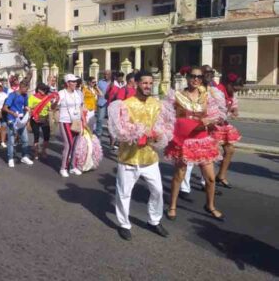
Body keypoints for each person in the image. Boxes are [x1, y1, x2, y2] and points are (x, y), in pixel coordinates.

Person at [108, 70, 174, 241]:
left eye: (150, 83)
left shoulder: (157, 104)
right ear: (136, 83)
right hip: (129, 158)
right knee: (124, 193)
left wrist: (159, 134)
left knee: (158, 190)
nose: (148, 86)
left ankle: (154, 220)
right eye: (144, 83)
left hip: (150, 158)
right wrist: (135, 134)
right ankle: (124, 224)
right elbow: (119, 132)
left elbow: (164, 125)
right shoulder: (126, 104)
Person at [165, 66, 226, 222]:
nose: (196, 79)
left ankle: (210, 206)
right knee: (179, 176)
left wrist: (212, 122)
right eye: (193, 76)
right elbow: (172, 119)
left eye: (199, 77)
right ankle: (172, 205)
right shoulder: (176, 96)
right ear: (187, 77)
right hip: (184, 141)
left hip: (202, 141)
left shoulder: (208, 96)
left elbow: (215, 117)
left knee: (211, 178)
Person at [212, 73, 242, 188]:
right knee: (211, 154)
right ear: (229, 84)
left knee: (230, 150)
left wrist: (234, 110)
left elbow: (233, 106)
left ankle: (221, 176)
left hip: (223, 124)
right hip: (213, 125)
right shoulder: (217, 92)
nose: (235, 91)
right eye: (234, 88)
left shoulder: (231, 94)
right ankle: (207, 180)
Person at [54, 73, 84, 177]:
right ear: (67, 83)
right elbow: (54, 107)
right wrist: (55, 101)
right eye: (73, 81)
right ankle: (63, 168)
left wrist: (83, 121)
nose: (75, 83)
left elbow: (81, 107)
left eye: (76, 81)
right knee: (69, 144)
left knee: (76, 145)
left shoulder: (78, 93)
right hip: (65, 121)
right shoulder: (61, 93)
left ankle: (73, 167)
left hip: (76, 121)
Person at [3, 80, 33, 167]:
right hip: (12, 120)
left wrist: (27, 109)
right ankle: (10, 158)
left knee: (25, 140)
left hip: (21, 120)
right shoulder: (12, 95)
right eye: (26, 89)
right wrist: (12, 113)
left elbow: (25, 106)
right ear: (21, 87)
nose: (27, 91)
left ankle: (24, 156)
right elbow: (5, 108)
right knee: (11, 141)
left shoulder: (25, 96)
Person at [29, 83, 54, 160]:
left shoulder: (47, 98)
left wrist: (54, 103)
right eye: (43, 89)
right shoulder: (32, 97)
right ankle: (36, 152)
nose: (45, 90)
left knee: (46, 137)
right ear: (39, 89)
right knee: (36, 136)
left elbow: (51, 108)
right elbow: (29, 108)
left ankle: (43, 150)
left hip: (45, 119)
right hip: (35, 119)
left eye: (46, 89)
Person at [96, 70, 111, 137]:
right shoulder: (100, 82)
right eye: (105, 74)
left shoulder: (114, 83)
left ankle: (110, 134)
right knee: (100, 119)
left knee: (110, 121)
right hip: (102, 103)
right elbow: (96, 91)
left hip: (111, 103)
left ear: (110, 75)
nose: (106, 76)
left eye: (107, 74)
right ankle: (98, 133)